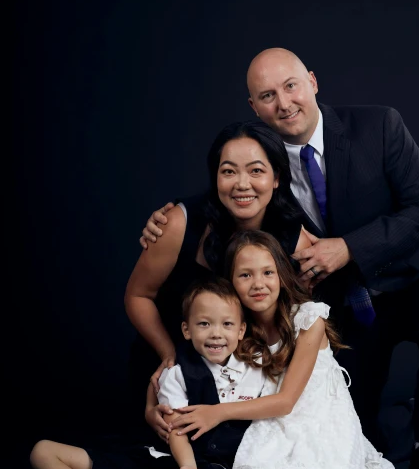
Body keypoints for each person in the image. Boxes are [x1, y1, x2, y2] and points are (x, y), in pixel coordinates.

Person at [140, 47, 419, 469]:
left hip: (414, 273)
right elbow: (231, 193)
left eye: (291, 86)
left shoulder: (379, 125)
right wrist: (166, 220)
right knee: (350, 434)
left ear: (313, 82)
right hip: (340, 301)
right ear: (254, 107)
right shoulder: (264, 160)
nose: (284, 103)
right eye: (267, 96)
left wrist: (347, 247)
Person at [168, 230, 403, 469]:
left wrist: (217, 413)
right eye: (245, 276)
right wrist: (156, 406)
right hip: (267, 421)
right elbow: (191, 366)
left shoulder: (308, 319)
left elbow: (287, 401)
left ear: (281, 276)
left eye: (268, 272)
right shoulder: (236, 328)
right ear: (231, 282)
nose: (258, 284)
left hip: (313, 417)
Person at [30, 278, 270, 469]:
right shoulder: (177, 372)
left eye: (227, 324)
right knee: (43, 452)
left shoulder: (255, 366)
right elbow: (175, 428)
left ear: (241, 330)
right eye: (204, 324)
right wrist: (187, 468)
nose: (216, 333)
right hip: (163, 462)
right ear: (187, 330)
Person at [124, 118, 313, 438]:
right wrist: (170, 355)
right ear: (215, 177)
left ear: (277, 177)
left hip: (243, 389)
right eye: (228, 171)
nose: (242, 184)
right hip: (168, 375)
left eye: (256, 170)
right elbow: (137, 296)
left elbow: (298, 323)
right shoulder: (177, 223)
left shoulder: (295, 242)